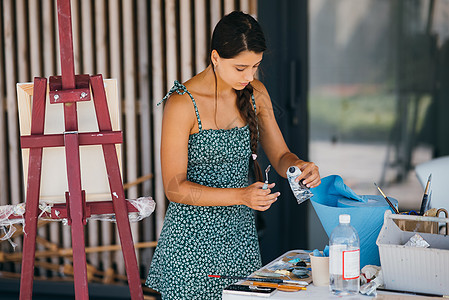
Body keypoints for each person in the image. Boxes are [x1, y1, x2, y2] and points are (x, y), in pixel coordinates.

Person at [145, 11, 321, 299]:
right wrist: (241, 196)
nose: (249, 76)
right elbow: (174, 188)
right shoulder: (182, 104)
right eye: (240, 68)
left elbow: (281, 156)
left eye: (255, 66)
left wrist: (299, 166)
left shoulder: (255, 93)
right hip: (190, 247)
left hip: (240, 239)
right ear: (215, 57)